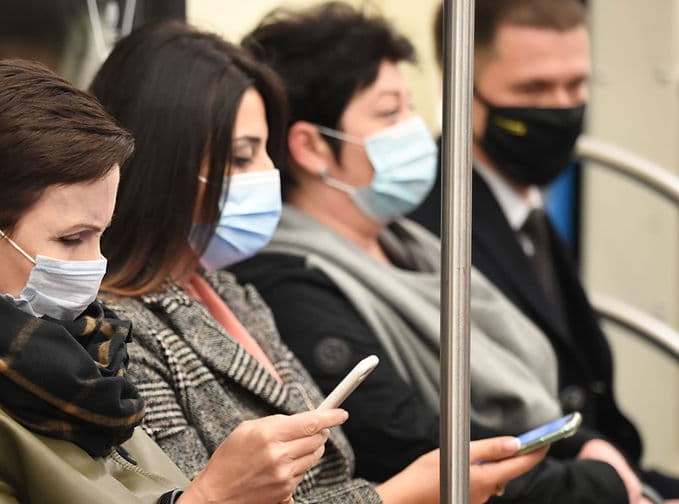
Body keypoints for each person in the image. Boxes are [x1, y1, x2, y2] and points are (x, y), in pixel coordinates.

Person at [92, 20, 545, 504]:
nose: (269, 172)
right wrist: (404, 493)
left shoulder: (230, 292)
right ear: (165, 168)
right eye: (243, 157)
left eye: (265, 151)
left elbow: (329, 476)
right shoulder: (116, 334)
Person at [0, 58, 358, 504]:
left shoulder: (79, 361)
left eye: (101, 235)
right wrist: (213, 498)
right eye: (72, 239)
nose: (95, 263)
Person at [231, 3, 641, 502]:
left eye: (411, 107)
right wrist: (602, 482)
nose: (414, 129)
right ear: (313, 147)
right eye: (389, 113)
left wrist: (583, 443)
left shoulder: (412, 243)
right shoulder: (287, 283)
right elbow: (410, 444)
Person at [409, 1, 679, 500]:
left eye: (576, 86)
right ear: (461, 88)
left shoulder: (527, 212)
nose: (559, 107)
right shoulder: (427, 224)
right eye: (533, 90)